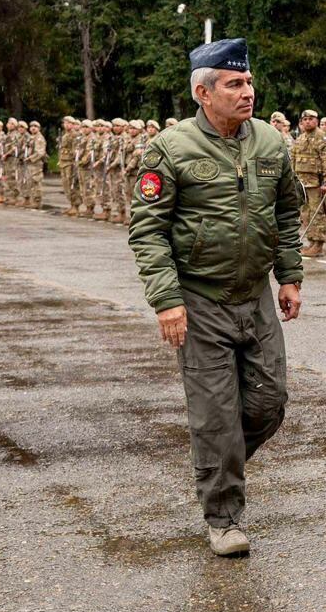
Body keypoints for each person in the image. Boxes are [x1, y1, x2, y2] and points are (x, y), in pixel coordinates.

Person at [129, 38, 302, 558]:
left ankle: (218, 464)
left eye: (248, 82)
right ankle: (223, 514)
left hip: (255, 297)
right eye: (234, 84)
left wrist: (290, 276)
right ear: (203, 93)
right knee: (215, 416)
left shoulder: (271, 143)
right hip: (200, 302)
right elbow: (148, 231)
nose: (247, 92)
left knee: (269, 403)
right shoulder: (171, 148)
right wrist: (166, 300)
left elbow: (289, 212)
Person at [292, 110, 326, 256]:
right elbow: (293, 159)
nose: (307, 121)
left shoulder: (321, 137)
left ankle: (318, 244)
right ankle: (311, 241)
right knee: (306, 214)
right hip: (302, 183)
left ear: (316, 121)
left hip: (316, 182)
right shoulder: (300, 138)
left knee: (318, 213)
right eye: (305, 119)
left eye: (311, 119)